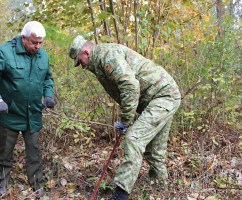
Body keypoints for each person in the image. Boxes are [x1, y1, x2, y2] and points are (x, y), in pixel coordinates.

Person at [69, 36, 181, 200]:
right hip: (160, 96)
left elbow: (130, 85)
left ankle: (121, 193)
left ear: (86, 52)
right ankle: (162, 190)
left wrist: (126, 120)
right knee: (154, 151)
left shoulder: (106, 55)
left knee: (134, 139)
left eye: (81, 61)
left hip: (163, 96)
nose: (83, 67)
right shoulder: (101, 59)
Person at [0, 21, 55, 197]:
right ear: (24, 38)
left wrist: (48, 95)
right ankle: (2, 183)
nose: (37, 46)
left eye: (40, 42)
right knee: (5, 151)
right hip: (9, 114)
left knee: (34, 151)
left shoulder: (42, 56)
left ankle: (37, 183)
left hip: (33, 114)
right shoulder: (4, 52)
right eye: (34, 42)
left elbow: (47, 78)